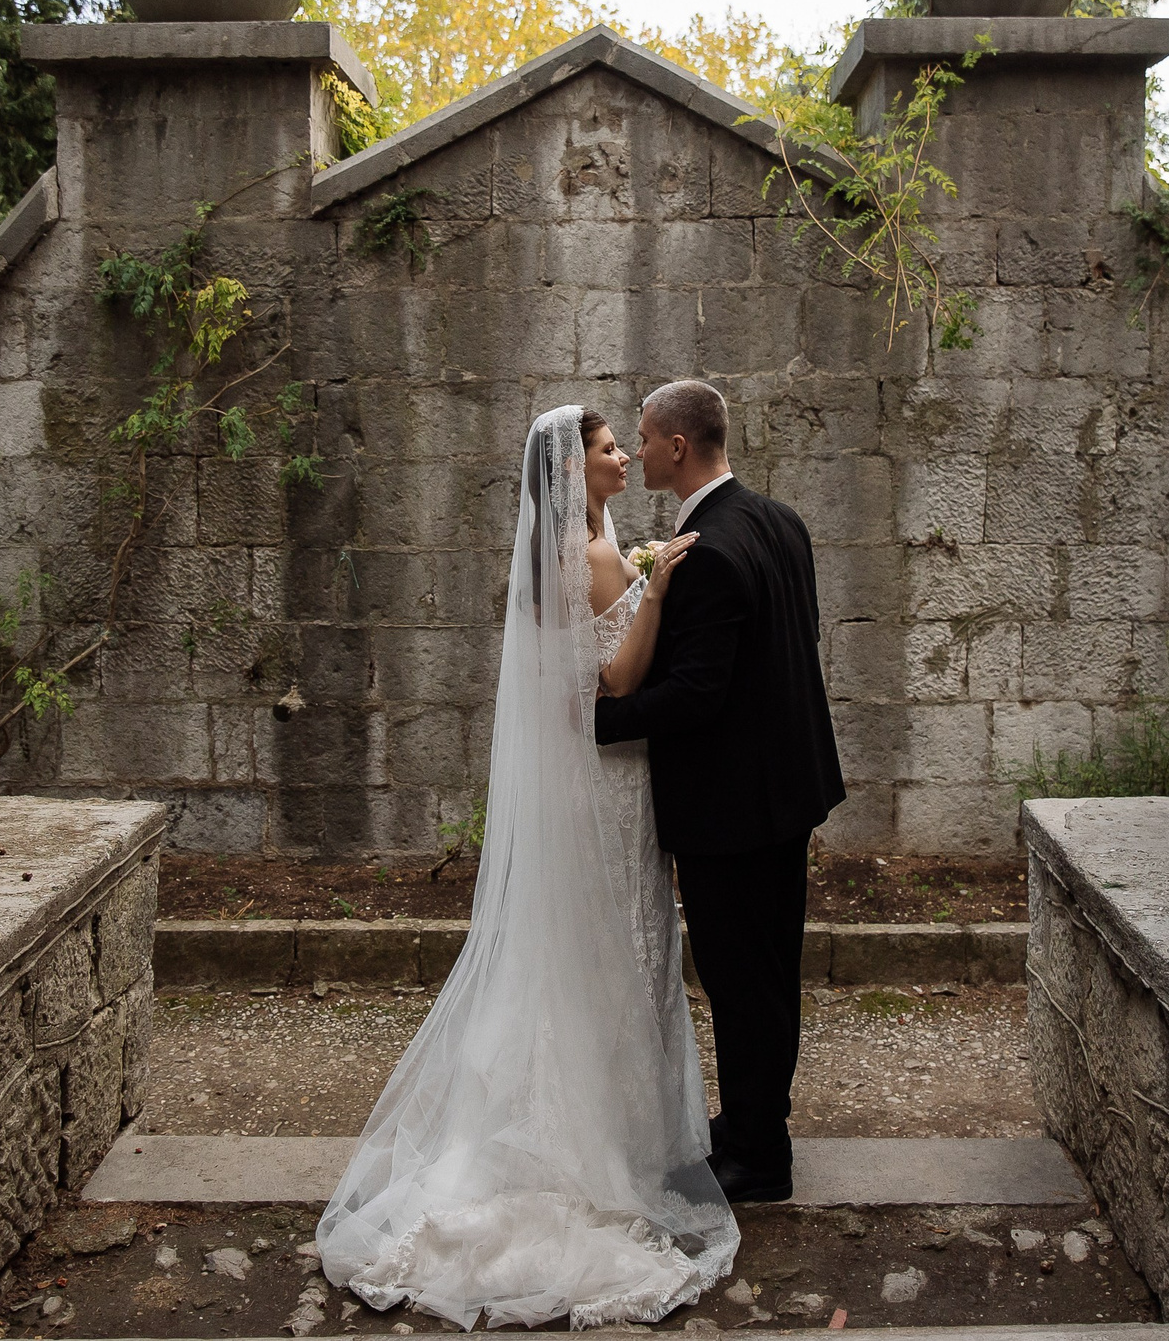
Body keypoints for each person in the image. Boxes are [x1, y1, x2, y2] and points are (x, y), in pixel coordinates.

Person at [316, 406, 736, 1330]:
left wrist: (635, 569)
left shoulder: (578, 547)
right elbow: (618, 681)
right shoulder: (588, 559)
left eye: (624, 444)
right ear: (572, 471)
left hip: (594, 772)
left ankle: (601, 1122)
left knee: (595, 943)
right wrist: (656, 589)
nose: (624, 456)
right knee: (619, 940)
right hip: (609, 778)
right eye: (607, 449)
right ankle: (609, 1140)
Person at [595, 379, 844, 1204]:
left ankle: (760, 1161)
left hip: (733, 809)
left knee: (742, 983)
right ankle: (751, 1125)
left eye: (643, 436)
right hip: (788, 789)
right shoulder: (779, 521)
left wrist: (600, 722)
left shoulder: (706, 551)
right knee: (770, 973)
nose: (635, 447)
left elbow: (698, 695)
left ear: (676, 446)